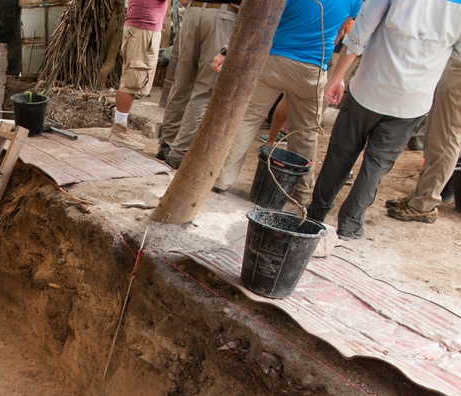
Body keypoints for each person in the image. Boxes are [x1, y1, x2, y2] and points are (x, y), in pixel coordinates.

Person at [307, 0, 461, 240]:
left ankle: (316, 213)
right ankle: (350, 223)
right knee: (376, 165)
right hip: (412, 100)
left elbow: (360, 33)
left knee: (341, 154)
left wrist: (338, 76)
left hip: (369, 87)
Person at [212, 0, 361, 204]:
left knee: (248, 119)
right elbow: (341, 32)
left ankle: (223, 179)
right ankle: (303, 194)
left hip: (274, 59)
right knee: (305, 133)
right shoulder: (354, 1)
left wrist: (227, 50)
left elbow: (264, 20)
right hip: (313, 68)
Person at [158, 0, 241, 167]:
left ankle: (166, 144)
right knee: (204, 90)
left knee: (181, 84)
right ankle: (179, 154)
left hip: (192, 12)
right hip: (221, 15)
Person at [386, 50, 461, 224]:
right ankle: (418, 196)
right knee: (435, 137)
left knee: (447, 138)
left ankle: (425, 203)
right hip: (453, 64)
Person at [109, 0, 171, 150]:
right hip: (143, 26)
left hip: (143, 25)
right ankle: (119, 130)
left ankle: (120, 127)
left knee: (130, 78)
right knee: (132, 81)